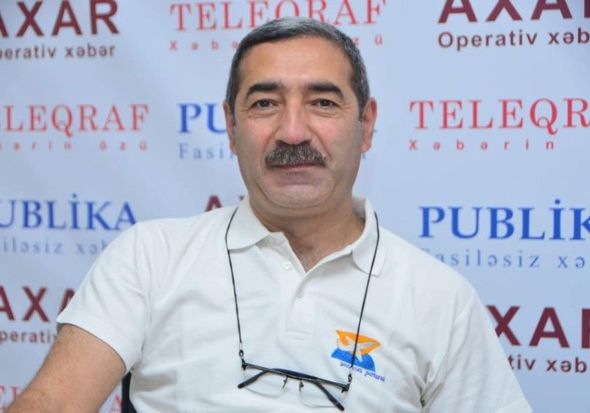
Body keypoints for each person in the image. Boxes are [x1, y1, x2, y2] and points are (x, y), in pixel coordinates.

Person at [8, 17, 532, 413]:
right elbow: (54, 402)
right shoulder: (149, 257)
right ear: (231, 127)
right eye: (264, 104)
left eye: (323, 103)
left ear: (367, 125)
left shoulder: (440, 298)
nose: (293, 132)